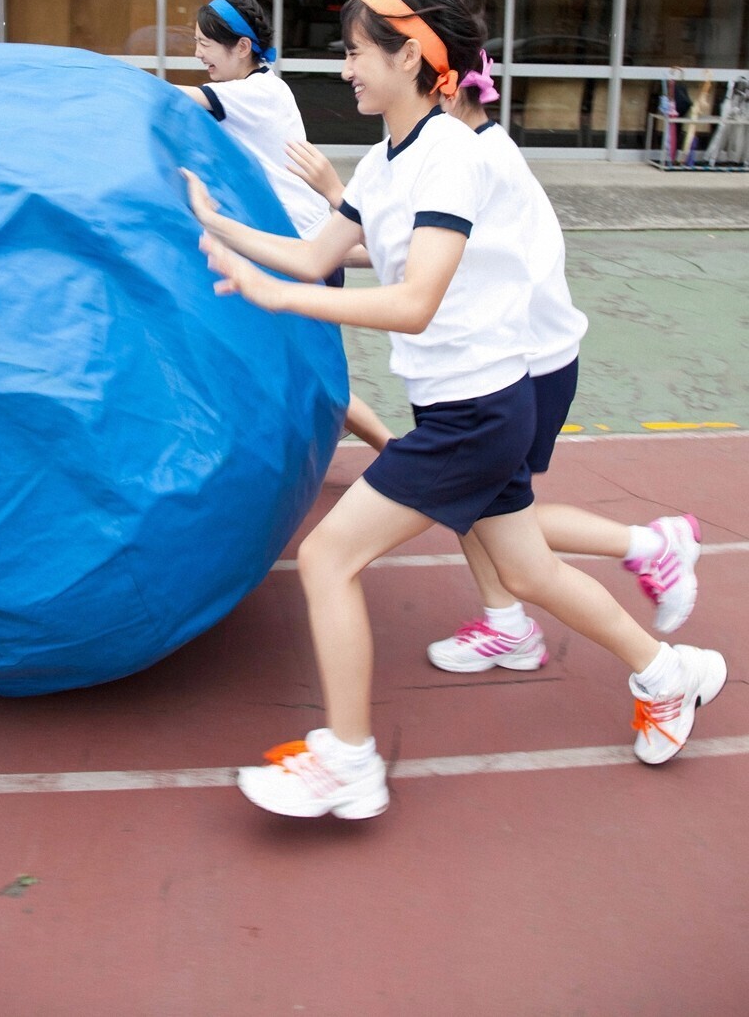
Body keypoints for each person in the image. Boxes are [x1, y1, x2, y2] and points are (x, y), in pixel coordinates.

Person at [183, 0, 726, 820]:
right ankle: (671, 672)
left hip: (478, 409)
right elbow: (315, 253)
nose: (344, 69)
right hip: (460, 404)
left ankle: (351, 760)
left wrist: (275, 297)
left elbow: (414, 299)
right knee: (527, 569)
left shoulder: (449, 159)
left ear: (412, 58)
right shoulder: (384, 163)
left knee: (329, 556)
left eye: (358, 52)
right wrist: (216, 224)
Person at [290, 52, 702, 671]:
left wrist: (331, 204)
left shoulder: (471, 156)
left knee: (494, 512)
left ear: (442, 87)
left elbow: (418, 265)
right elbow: (410, 252)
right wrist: (310, 252)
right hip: (498, 362)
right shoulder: (460, 147)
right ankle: (515, 620)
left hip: (526, 364)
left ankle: (646, 546)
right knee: (488, 513)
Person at [176, 0, 391, 452]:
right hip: (304, 248)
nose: (197, 54)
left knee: (307, 371)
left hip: (302, 254)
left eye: (205, 44)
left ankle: (392, 448)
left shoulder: (254, 92)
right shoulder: (260, 88)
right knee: (300, 366)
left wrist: (101, 77)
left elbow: (173, 99)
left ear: (241, 47)